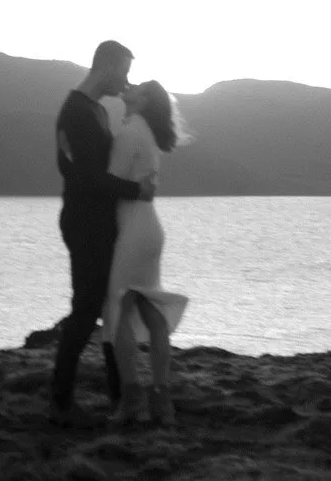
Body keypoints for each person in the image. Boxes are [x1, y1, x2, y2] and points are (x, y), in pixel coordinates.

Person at [50, 40, 154, 424]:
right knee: (87, 307)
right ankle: (60, 401)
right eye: (124, 71)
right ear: (108, 66)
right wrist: (135, 191)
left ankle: (119, 393)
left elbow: (103, 165)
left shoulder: (95, 110)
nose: (126, 79)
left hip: (99, 221)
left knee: (110, 304)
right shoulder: (75, 111)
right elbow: (85, 176)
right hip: (84, 222)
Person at [102, 80, 191, 426]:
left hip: (132, 228)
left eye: (136, 89)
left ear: (141, 103)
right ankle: (162, 398)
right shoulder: (150, 134)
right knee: (150, 310)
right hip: (150, 227)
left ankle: (131, 399)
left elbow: (111, 181)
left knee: (119, 309)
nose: (128, 88)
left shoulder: (130, 133)